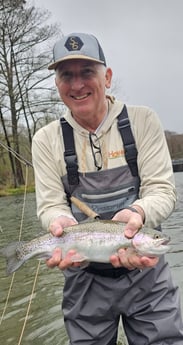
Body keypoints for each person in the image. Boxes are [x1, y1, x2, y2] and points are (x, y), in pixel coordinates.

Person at [32, 32, 183, 345]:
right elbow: (51, 207)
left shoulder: (143, 121)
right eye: (66, 75)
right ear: (57, 83)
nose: (77, 85)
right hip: (82, 278)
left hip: (147, 274)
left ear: (108, 76)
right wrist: (57, 222)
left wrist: (138, 211)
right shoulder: (45, 140)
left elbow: (162, 191)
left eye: (87, 72)